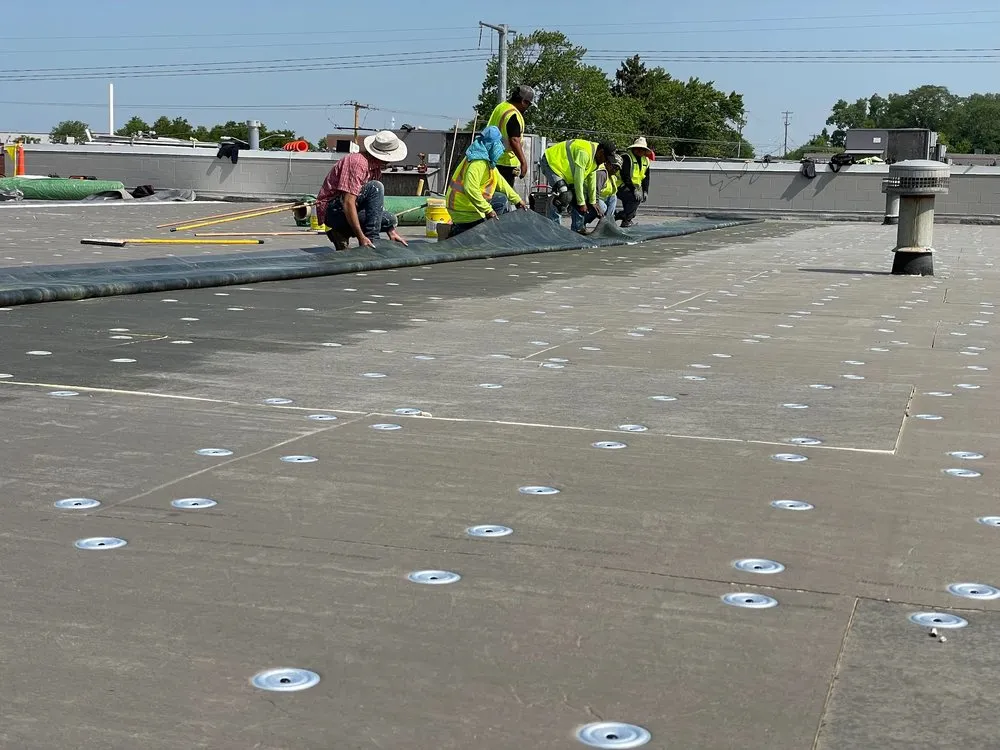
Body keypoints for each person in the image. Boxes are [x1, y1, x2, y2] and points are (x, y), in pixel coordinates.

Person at [315, 130, 411, 250]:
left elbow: (374, 207)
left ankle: (342, 233)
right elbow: (348, 202)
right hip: (333, 210)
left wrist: (391, 232)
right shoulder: (357, 163)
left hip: (352, 208)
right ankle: (372, 238)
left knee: (389, 220)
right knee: (375, 187)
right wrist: (362, 238)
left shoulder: (375, 169)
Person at [444, 125, 526, 238]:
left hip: (467, 206)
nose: (500, 147)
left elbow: (500, 182)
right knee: (500, 201)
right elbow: (470, 189)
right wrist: (488, 211)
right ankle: (461, 231)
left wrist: (517, 200)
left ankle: (475, 229)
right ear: (492, 145)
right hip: (464, 209)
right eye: (498, 143)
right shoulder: (478, 162)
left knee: (500, 198)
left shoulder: (485, 159)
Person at [539, 138, 617, 228]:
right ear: (601, 152)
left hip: (565, 171)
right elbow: (578, 179)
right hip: (552, 163)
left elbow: (591, 179)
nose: (605, 162)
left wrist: (593, 201)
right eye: (606, 159)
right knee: (565, 196)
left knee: (581, 198)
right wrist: (581, 203)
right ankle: (554, 228)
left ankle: (578, 229)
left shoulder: (596, 159)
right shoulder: (585, 153)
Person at [487, 85, 534, 188]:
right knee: (502, 197)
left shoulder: (501, 107)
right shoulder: (513, 115)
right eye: (528, 104)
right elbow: (514, 140)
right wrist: (523, 162)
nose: (527, 108)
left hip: (490, 158)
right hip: (504, 163)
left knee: (490, 195)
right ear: (523, 102)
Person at [573, 154, 623, 234]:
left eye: (617, 168)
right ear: (608, 163)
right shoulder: (602, 173)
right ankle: (582, 223)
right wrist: (596, 205)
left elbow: (611, 193)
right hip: (587, 198)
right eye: (614, 166)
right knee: (602, 207)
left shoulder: (612, 176)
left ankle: (607, 224)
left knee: (613, 198)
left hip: (599, 197)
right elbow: (594, 191)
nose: (615, 170)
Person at [616, 136, 653, 228]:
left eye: (642, 149)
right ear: (633, 148)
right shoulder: (626, 157)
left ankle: (625, 220)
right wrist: (634, 190)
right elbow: (625, 176)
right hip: (619, 185)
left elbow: (646, 178)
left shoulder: (646, 161)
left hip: (634, 187)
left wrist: (645, 191)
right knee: (635, 198)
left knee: (632, 204)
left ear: (645, 151)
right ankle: (623, 217)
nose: (640, 150)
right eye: (638, 148)